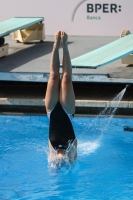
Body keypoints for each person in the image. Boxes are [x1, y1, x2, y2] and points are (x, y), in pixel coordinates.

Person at [45, 31, 77, 167]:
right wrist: (67, 162)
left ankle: (55, 46)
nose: (58, 159)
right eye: (60, 161)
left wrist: (55, 165)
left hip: (51, 111)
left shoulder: (52, 151)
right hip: (67, 112)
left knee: (53, 76)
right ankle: (65, 47)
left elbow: (51, 168)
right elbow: (73, 164)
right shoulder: (71, 149)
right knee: (66, 78)